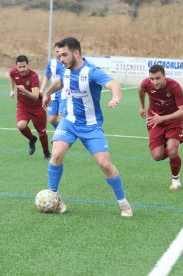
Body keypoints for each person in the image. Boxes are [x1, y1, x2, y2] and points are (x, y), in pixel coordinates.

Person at [42, 37, 133, 217]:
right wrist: (47, 94)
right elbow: (60, 82)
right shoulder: (63, 68)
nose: (61, 59)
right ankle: (54, 197)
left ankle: (123, 204)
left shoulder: (92, 72)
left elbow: (113, 84)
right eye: (59, 56)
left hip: (91, 126)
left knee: (105, 164)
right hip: (68, 121)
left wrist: (115, 97)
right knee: (57, 154)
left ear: (76, 53)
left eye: (64, 55)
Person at [138, 64, 183, 190]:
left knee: (172, 150)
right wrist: (142, 106)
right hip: (155, 120)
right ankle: (172, 146)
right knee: (157, 156)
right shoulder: (146, 83)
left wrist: (162, 118)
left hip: (173, 120)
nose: (154, 82)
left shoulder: (174, 86)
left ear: (164, 76)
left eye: (158, 78)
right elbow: (140, 90)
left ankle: (176, 181)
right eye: (152, 78)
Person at [9, 55, 51, 160]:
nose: (22, 69)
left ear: (28, 65)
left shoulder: (33, 76)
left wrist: (24, 90)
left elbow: (35, 97)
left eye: (24, 66)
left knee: (42, 133)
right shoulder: (14, 72)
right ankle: (32, 139)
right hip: (23, 106)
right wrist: (12, 89)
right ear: (16, 66)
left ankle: (46, 152)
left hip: (37, 108)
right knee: (21, 126)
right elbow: (11, 76)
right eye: (19, 67)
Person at [40, 45, 66, 129]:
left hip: (65, 94)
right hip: (53, 94)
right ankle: (61, 133)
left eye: (60, 51)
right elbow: (47, 76)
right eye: (57, 51)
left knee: (61, 119)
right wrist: (41, 90)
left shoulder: (67, 63)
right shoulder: (51, 63)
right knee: (52, 120)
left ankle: (61, 137)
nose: (58, 53)